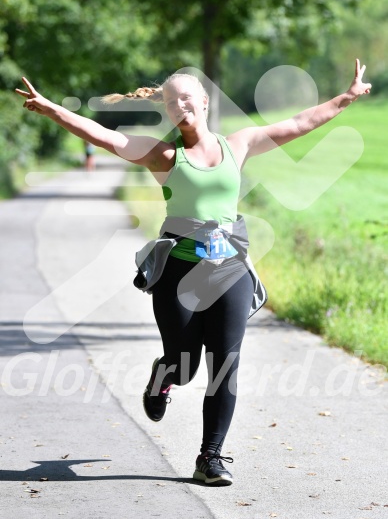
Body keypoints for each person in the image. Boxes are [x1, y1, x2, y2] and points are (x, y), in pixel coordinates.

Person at [15, 60, 371, 486]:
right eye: (171, 101)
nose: (180, 105)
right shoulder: (164, 155)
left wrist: (346, 98)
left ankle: (210, 457)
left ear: (204, 101)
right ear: (167, 110)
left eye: (187, 97)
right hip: (178, 269)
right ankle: (163, 373)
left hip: (229, 269)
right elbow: (106, 136)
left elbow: (297, 123)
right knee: (184, 364)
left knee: (225, 363)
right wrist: (53, 109)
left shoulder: (238, 144)